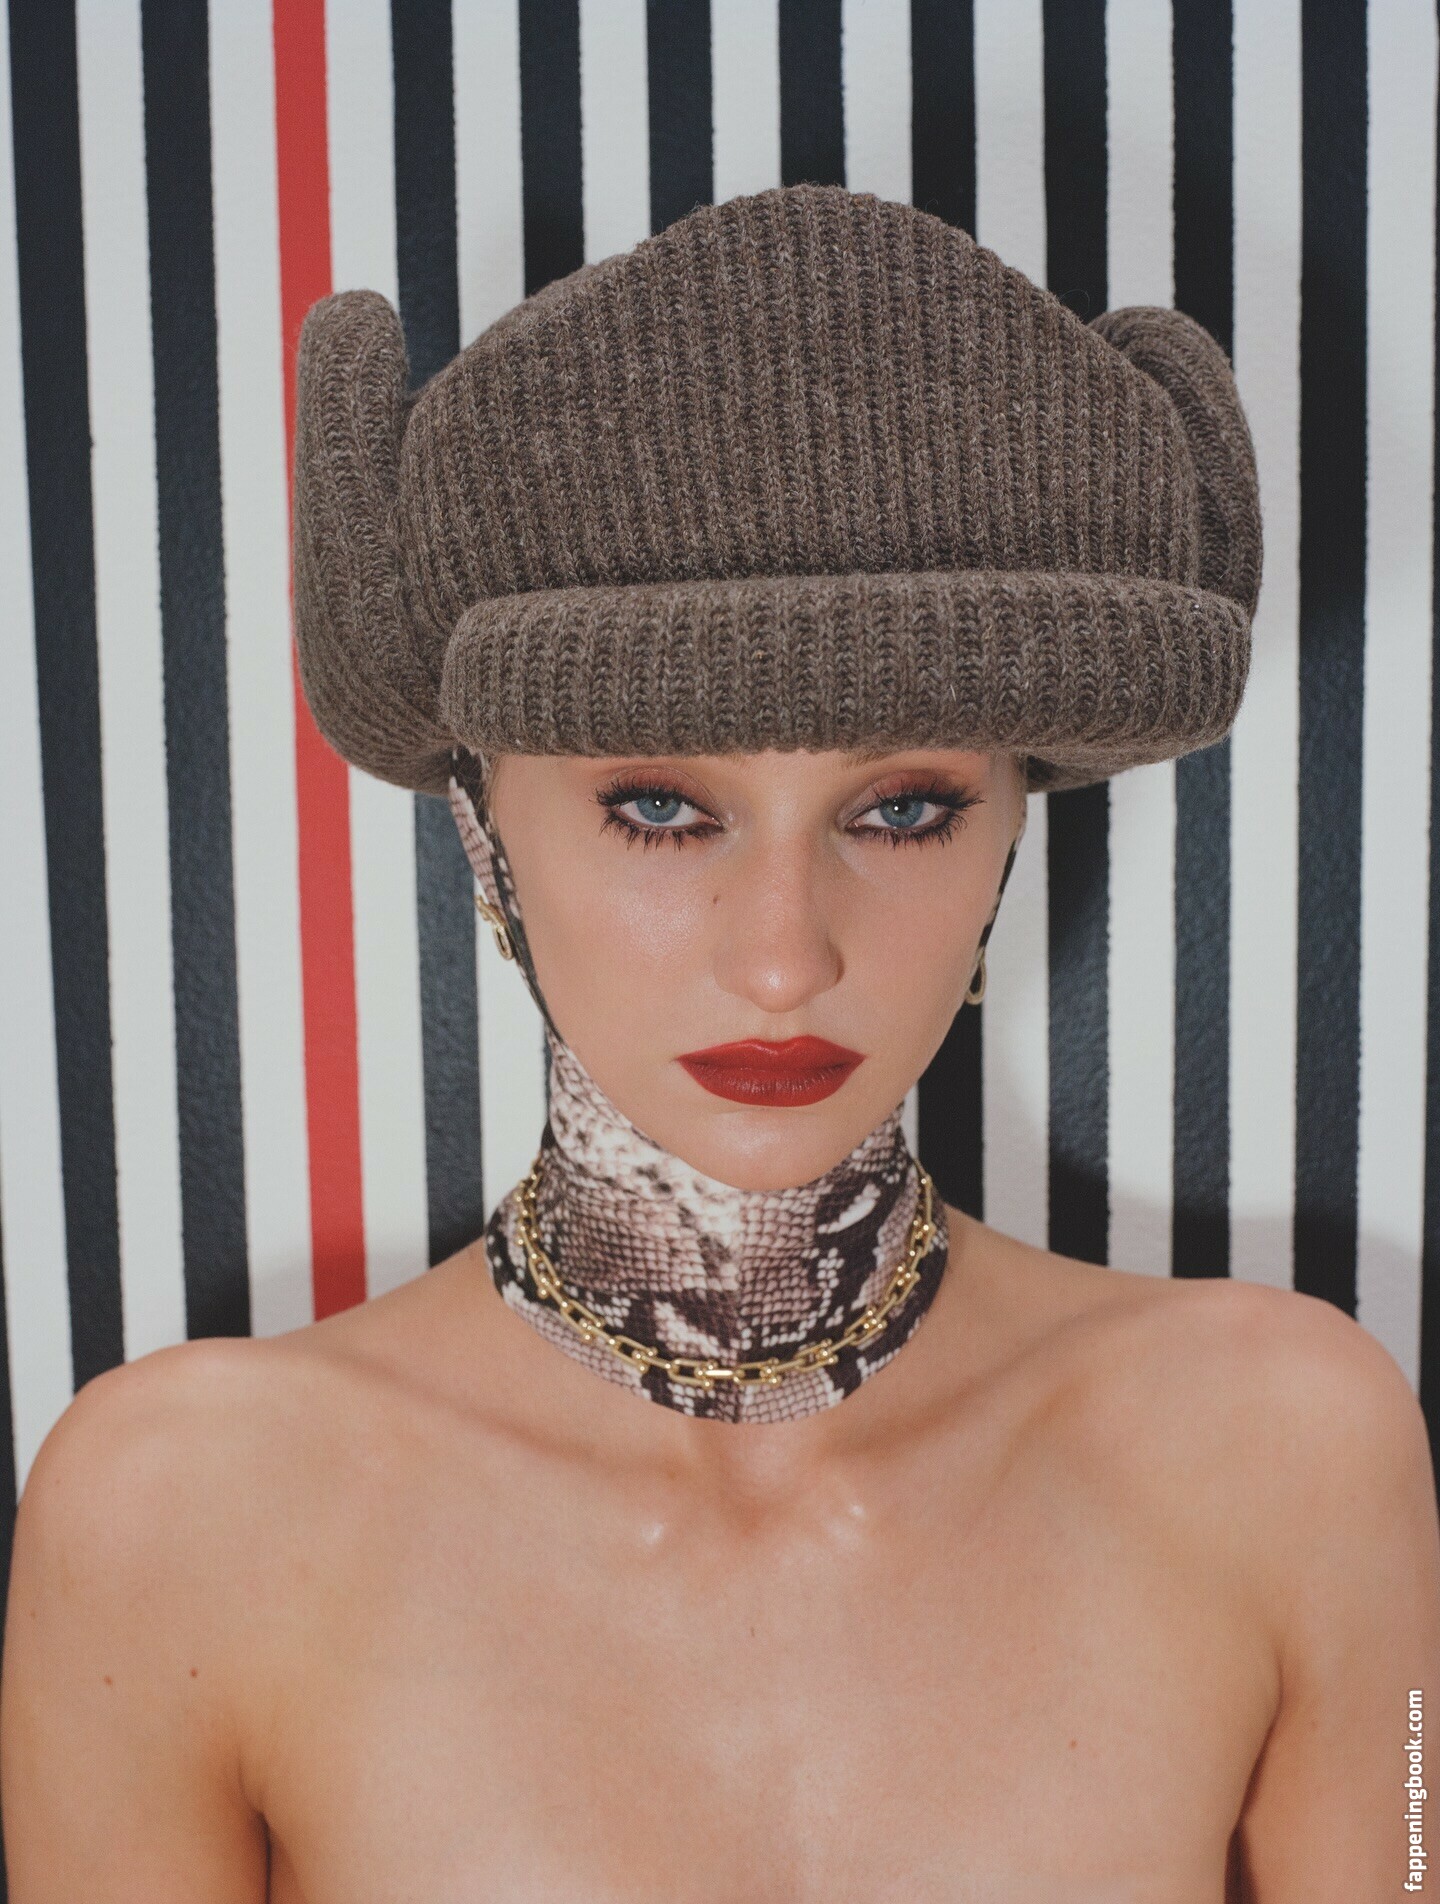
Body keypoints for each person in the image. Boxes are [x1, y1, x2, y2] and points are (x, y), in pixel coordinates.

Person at [3, 184, 1436, 1901]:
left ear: (1008, 829)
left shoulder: (1291, 1451)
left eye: (902, 809)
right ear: (481, 827)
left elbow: (1410, 1822)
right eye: (661, 806)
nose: (783, 957)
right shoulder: (177, 1516)